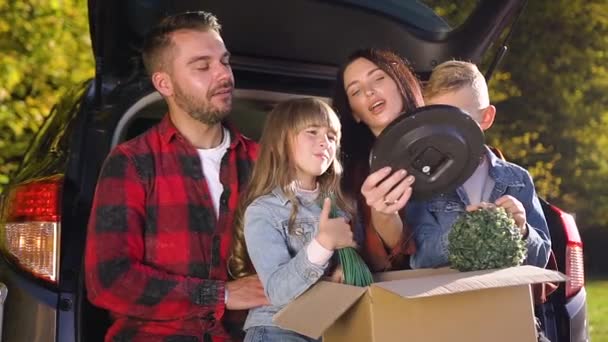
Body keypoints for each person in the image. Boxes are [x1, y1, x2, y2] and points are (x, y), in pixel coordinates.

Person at [84, 12, 268, 342]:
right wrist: (221, 295)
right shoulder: (132, 162)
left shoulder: (265, 162)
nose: (223, 74)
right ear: (164, 83)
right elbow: (110, 280)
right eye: (202, 66)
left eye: (224, 61)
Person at [229, 98, 360, 342]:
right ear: (282, 142)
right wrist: (323, 244)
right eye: (312, 132)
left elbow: (356, 266)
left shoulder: (343, 206)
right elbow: (278, 291)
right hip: (276, 328)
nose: (325, 142)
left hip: (328, 327)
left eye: (332, 136)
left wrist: (345, 270)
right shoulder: (264, 211)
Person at [406, 60, 551, 270]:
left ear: (486, 117)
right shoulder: (424, 182)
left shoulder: (517, 181)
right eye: (440, 120)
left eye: (460, 119)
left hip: (508, 298)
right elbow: (420, 259)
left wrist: (523, 229)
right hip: (453, 299)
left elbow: (541, 259)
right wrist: (469, 231)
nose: (449, 131)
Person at [332, 48, 425, 271]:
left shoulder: (467, 151)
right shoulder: (350, 179)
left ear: (401, 82)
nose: (369, 91)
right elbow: (381, 264)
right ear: (354, 113)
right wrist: (384, 217)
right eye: (355, 91)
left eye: (378, 78)